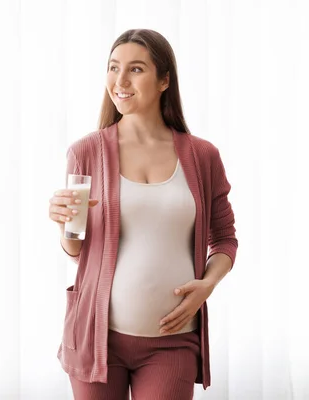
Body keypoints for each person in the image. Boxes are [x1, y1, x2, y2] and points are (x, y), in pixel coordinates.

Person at [48, 29, 238, 400]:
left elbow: (225, 238)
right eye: (113, 68)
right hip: (96, 336)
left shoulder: (203, 156)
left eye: (135, 69)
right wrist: (65, 224)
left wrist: (208, 286)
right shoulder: (86, 151)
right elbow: (75, 249)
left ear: (164, 79)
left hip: (173, 342)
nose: (120, 81)